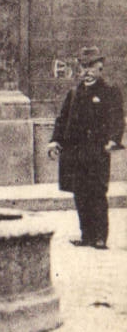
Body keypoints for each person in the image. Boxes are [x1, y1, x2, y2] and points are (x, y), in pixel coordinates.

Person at [48, 45, 124, 249]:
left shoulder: (110, 91)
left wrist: (114, 140)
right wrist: (55, 141)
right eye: (83, 67)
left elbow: (117, 119)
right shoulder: (74, 93)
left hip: (97, 152)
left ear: (101, 69)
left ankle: (100, 237)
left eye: (92, 67)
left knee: (97, 193)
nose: (87, 72)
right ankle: (87, 235)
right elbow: (62, 119)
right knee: (80, 194)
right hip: (75, 153)